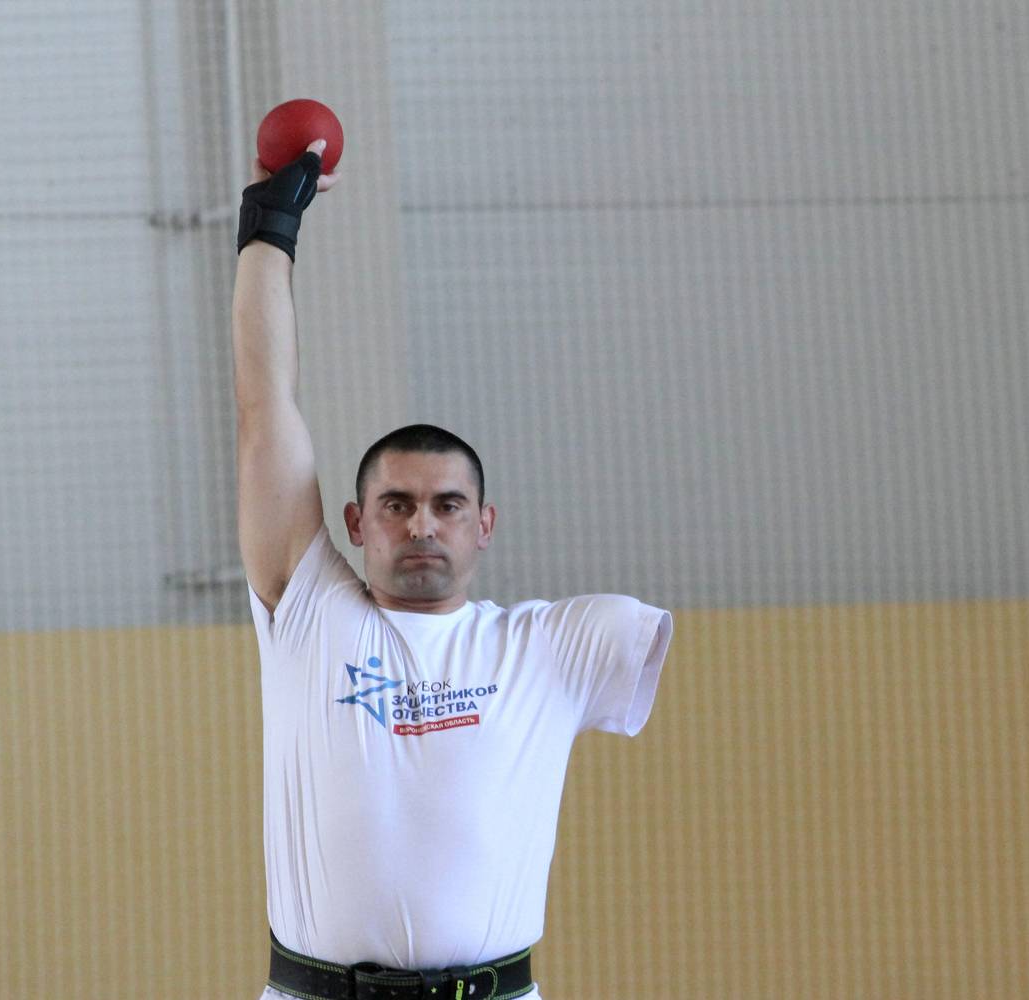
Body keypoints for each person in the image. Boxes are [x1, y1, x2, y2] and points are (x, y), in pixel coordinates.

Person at [233, 139, 673, 1000]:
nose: (422, 525)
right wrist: (268, 231)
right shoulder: (309, 608)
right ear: (356, 523)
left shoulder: (558, 644)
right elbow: (263, 406)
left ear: (485, 526)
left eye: (448, 505)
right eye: (396, 504)